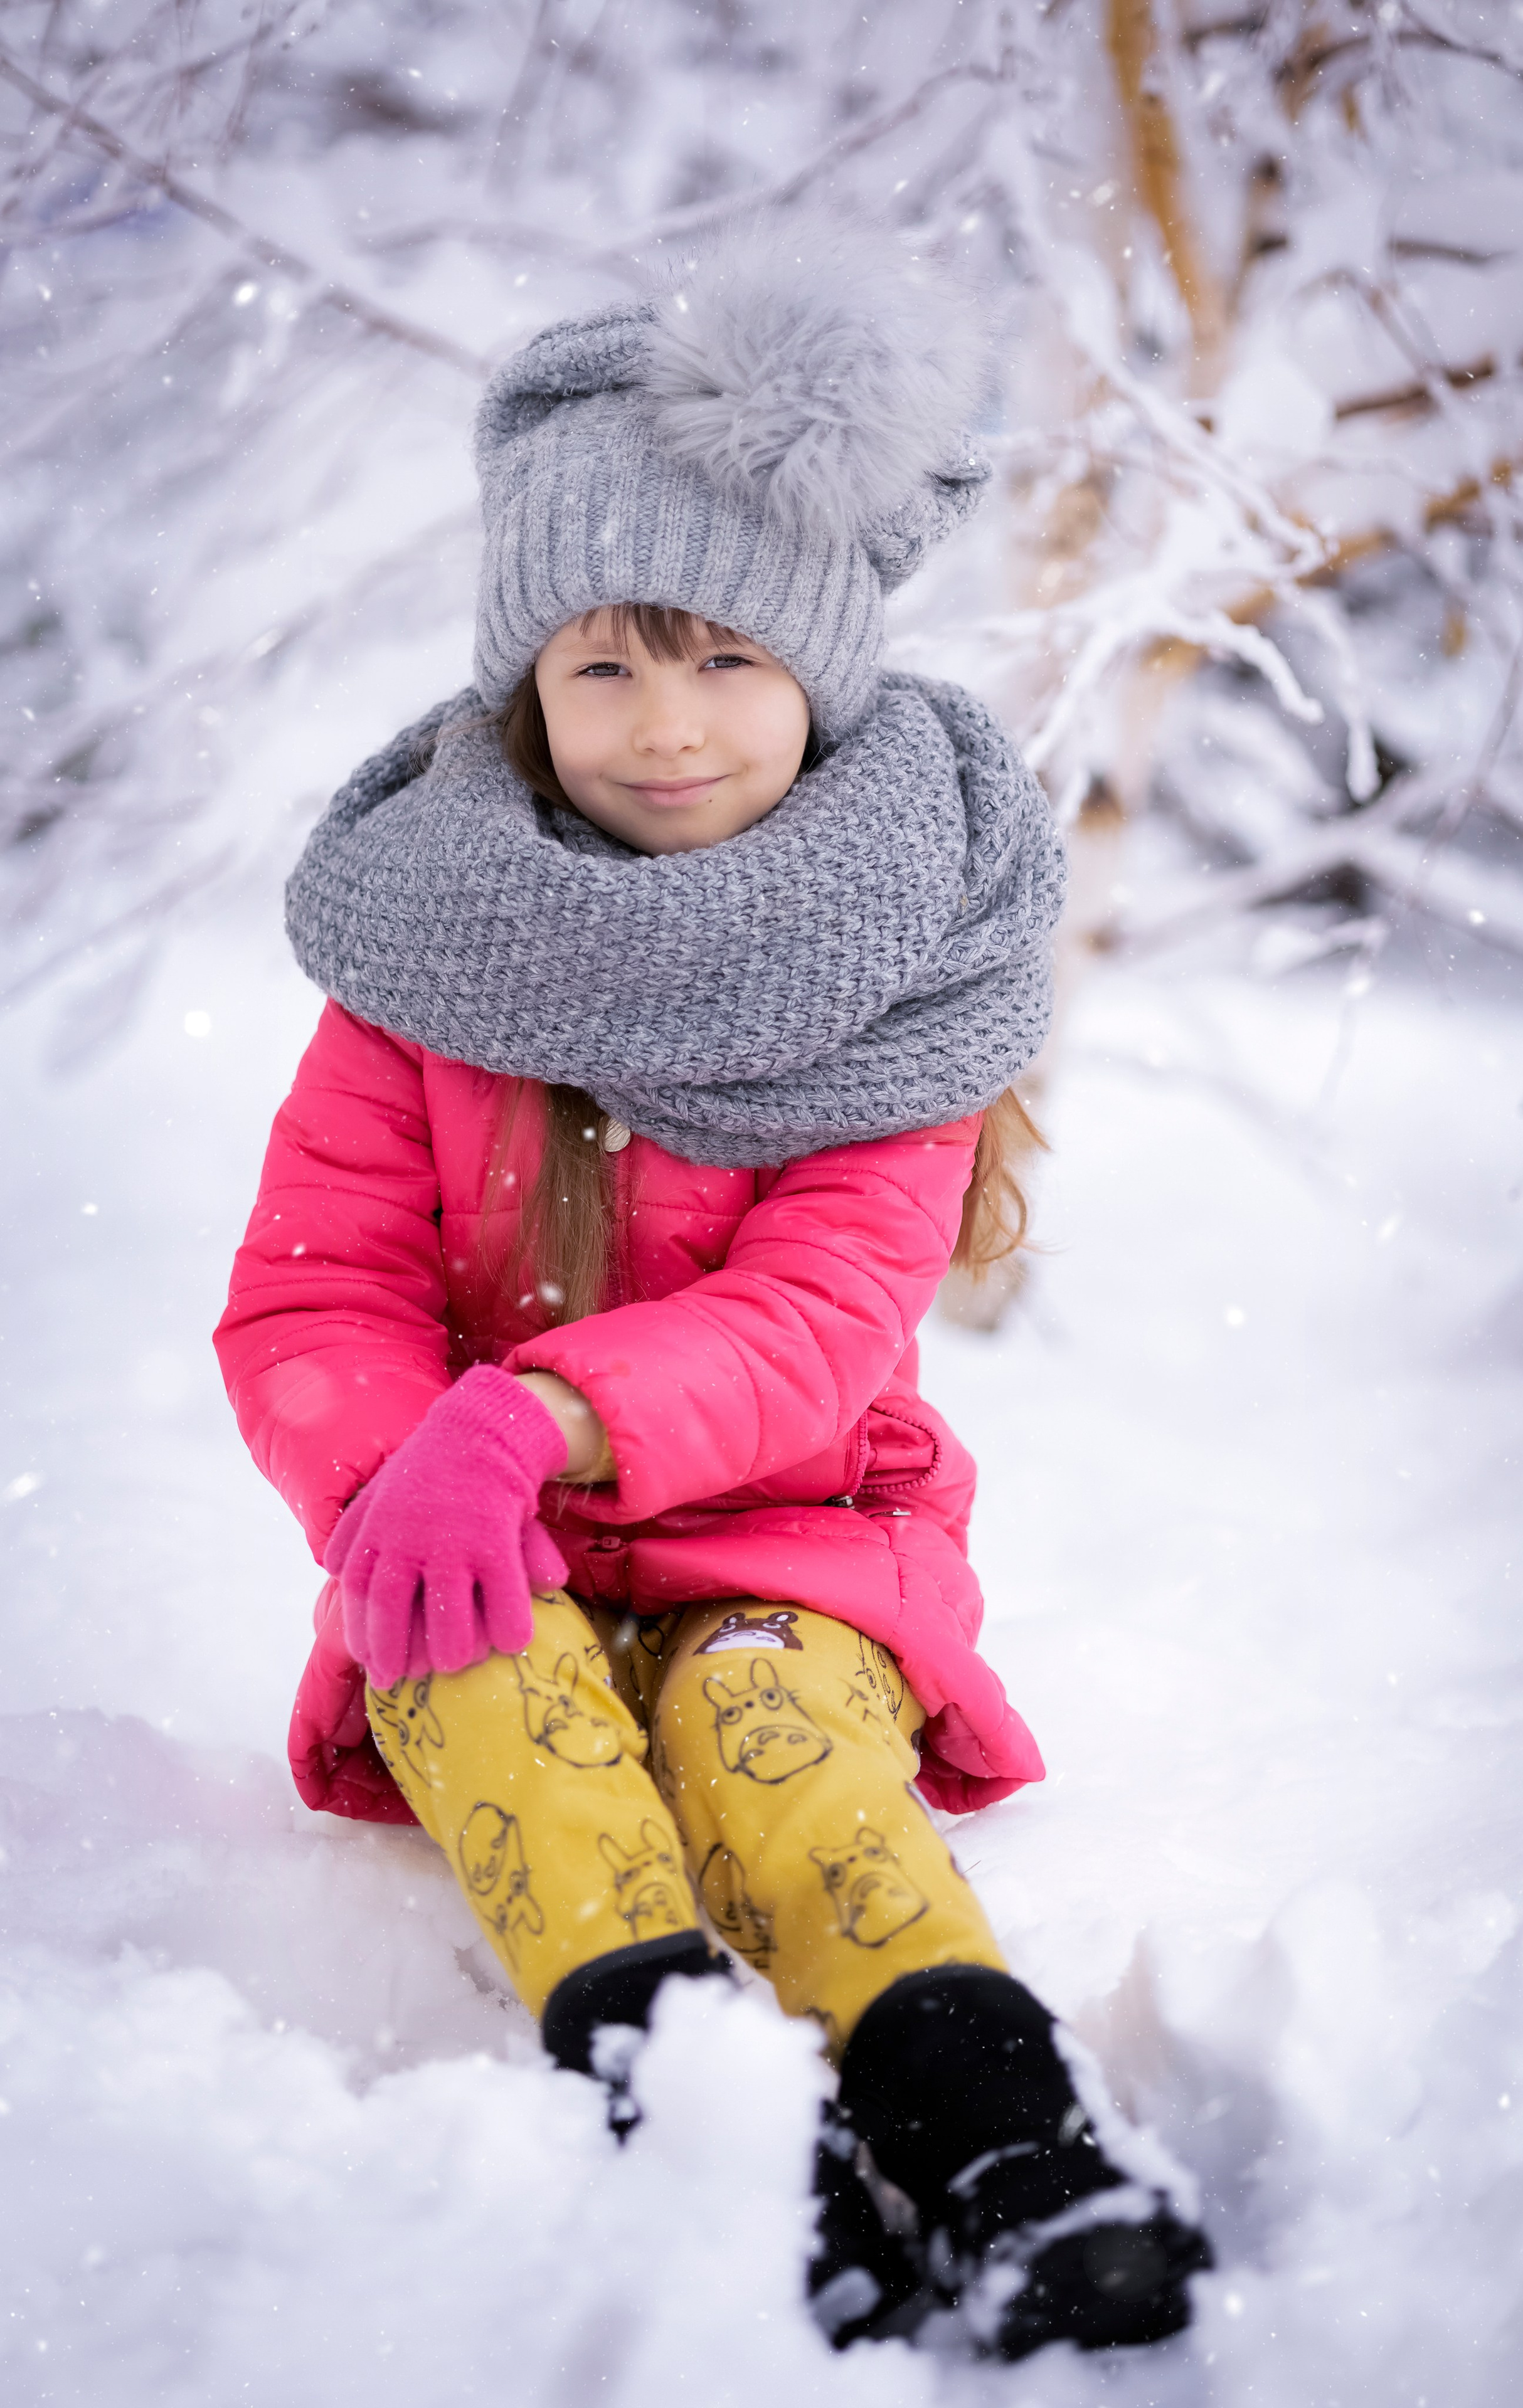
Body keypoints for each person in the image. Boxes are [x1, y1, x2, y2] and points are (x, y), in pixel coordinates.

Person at [215, 218, 1209, 2359]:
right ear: (526, 687)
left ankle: (1000, 2139)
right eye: (604, 664)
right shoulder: (426, 960)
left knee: (777, 1752)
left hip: (787, 1538)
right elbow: (316, 1292)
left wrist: (541, 1414)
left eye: (727, 658)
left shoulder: (896, 963)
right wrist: (420, 1474)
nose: (667, 726)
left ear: (823, 667)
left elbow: (825, 1317)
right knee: (506, 1723)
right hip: (466, 1547)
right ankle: (702, 2142)